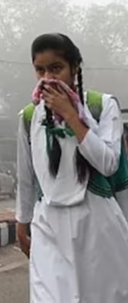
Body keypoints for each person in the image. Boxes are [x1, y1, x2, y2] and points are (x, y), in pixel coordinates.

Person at [15, 33, 128, 302]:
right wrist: (22, 221)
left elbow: (109, 164)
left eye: (56, 68)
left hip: (96, 225)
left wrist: (72, 115)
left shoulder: (102, 106)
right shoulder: (29, 116)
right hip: (48, 225)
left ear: (74, 67)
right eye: (40, 70)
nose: (47, 77)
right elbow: (26, 176)